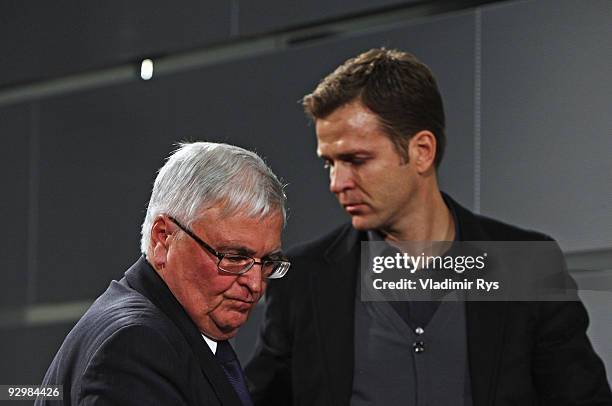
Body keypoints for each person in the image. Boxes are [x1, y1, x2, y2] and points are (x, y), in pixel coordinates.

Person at [245, 48, 612, 405]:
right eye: (329, 163)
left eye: (356, 160)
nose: (337, 182)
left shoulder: (524, 265)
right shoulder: (305, 280)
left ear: (421, 151)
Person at [37, 142, 289, 406]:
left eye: (268, 261)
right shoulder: (134, 346)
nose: (255, 284)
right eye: (234, 257)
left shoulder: (171, 335)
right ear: (163, 238)